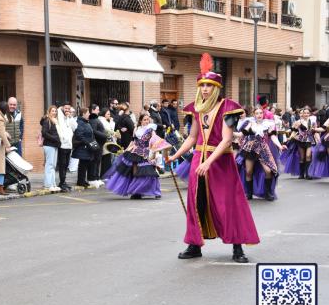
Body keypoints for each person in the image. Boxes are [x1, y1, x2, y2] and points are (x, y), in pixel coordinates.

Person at [168, 53, 259, 263]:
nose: (205, 89)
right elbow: (192, 137)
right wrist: (176, 155)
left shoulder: (228, 108)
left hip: (221, 163)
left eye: (209, 85)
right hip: (199, 159)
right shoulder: (196, 109)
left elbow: (227, 141)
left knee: (228, 203)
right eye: (202, 85)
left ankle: (237, 247)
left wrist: (209, 162)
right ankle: (194, 244)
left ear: (216, 87)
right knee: (196, 202)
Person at [104, 112, 162, 199]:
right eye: (144, 120)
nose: (146, 121)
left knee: (149, 172)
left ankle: (156, 192)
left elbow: (155, 141)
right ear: (140, 121)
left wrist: (154, 152)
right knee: (134, 173)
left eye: (147, 119)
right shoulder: (136, 129)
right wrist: (126, 150)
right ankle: (136, 192)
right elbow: (133, 142)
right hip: (135, 152)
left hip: (147, 153)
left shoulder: (151, 129)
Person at [235, 107, 285, 201]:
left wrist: (280, 146)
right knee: (249, 171)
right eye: (257, 113)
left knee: (268, 171)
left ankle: (268, 193)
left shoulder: (268, 124)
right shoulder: (250, 122)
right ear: (254, 114)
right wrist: (229, 133)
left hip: (263, 149)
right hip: (250, 149)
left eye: (261, 113)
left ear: (263, 114)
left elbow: (273, 136)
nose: (259, 115)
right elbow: (241, 134)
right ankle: (248, 193)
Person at [280, 106, 318, 180]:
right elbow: (294, 131)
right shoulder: (298, 122)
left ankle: (308, 174)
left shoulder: (313, 121)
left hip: (310, 141)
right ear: (302, 114)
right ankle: (301, 174)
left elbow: (315, 131)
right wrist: (290, 138)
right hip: (300, 141)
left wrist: (318, 139)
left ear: (310, 114)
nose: (306, 114)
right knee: (302, 157)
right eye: (304, 113)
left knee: (308, 156)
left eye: (307, 113)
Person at [72, 107, 95, 188]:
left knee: (85, 164)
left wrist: (94, 145)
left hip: (87, 146)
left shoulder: (86, 122)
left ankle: (82, 180)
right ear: (83, 114)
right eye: (88, 113)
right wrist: (88, 143)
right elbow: (80, 135)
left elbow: (90, 135)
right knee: (83, 164)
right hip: (83, 147)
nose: (89, 114)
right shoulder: (80, 122)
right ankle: (80, 181)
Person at [41, 105, 61, 192]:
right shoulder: (47, 121)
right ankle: (47, 185)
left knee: (53, 165)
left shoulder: (55, 121)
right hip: (49, 145)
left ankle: (53, 184)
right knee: (49, 165)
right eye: (52, 111)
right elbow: (44, 133)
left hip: (55, 145)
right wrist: (55, 138)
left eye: (55, 111)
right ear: (49, 112)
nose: (54, 112)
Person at [57, 103, 75, 192]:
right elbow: (58, 111)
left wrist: (70, 117)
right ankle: (61, 182)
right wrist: (62, 109)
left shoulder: (69, 118)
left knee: (66, 165)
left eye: (69, 108)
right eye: (65, 108)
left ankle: (64, 181)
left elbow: (75, 127)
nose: (67, 110)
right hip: (62, 145)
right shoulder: (60, 117)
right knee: (62, 165)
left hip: (69, 145)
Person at [88, 104, 107, 187]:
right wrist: (104, 135)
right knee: (95, 161)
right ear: (93, 110)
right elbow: (94, 131)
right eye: (97, 109)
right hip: (96, 143)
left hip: (99, 143)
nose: (99, 111)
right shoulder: (93, 119)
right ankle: (93, 178)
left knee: (98, 161)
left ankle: (97, 177)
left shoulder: (96, 119)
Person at [99, 107, 116, 177]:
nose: (109, 115)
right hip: (105, 142)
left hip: (108, 141)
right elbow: (110, 129)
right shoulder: (102, 121)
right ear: (104, 114)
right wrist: (111, 122)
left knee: (108, 158)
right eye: (108, 114)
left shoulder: (105, 120)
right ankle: (105, 175)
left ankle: (106, 174)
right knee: (106, 159)